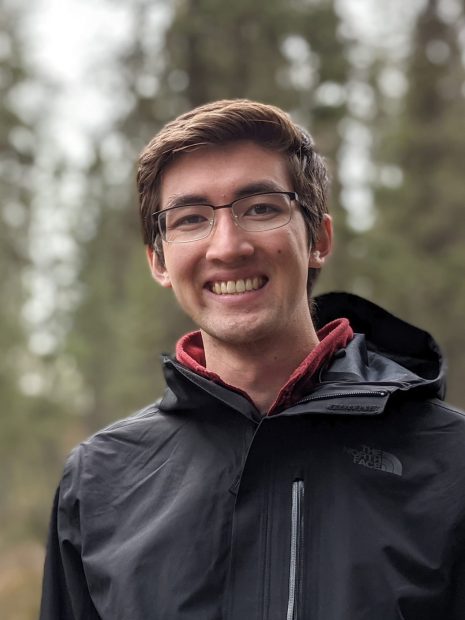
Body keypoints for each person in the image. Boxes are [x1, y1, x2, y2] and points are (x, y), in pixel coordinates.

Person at [40, 99, 465, 619]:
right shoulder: (99, 482)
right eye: (191, 218)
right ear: (159, 260)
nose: (228, 246)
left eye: (261, 208)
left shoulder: (452, 465)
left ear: (319, 239)